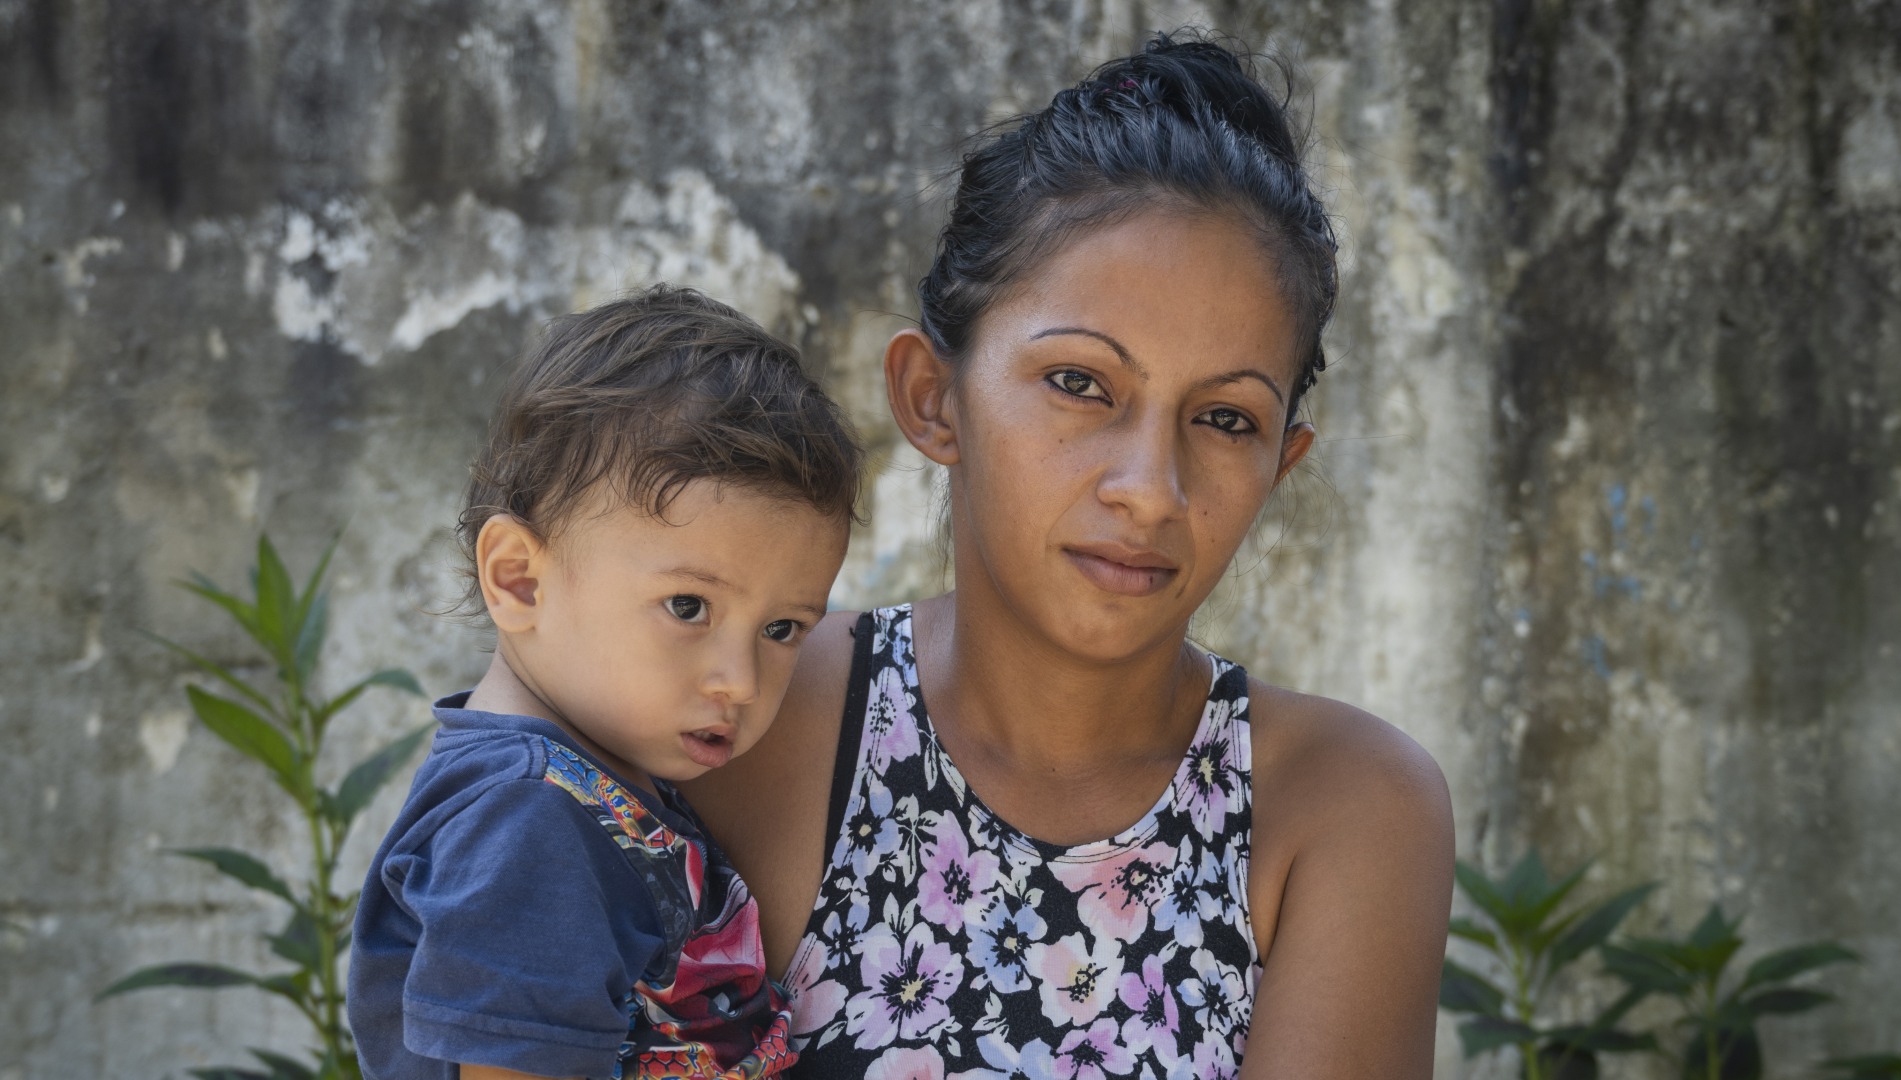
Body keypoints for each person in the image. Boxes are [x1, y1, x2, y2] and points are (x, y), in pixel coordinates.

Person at [679, 34, 1455, 1080]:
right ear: (933, 398)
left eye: (1225, 418)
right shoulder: (753, 717)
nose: (1149, 487)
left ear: (1280, 466)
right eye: (1081, 384)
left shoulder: (1344, 808)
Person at [347, 286, 864, 1080]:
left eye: (782, 629)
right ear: (519, 579)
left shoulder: (603, 780)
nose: (739, 680)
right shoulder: (528, 819)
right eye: (688, 607)